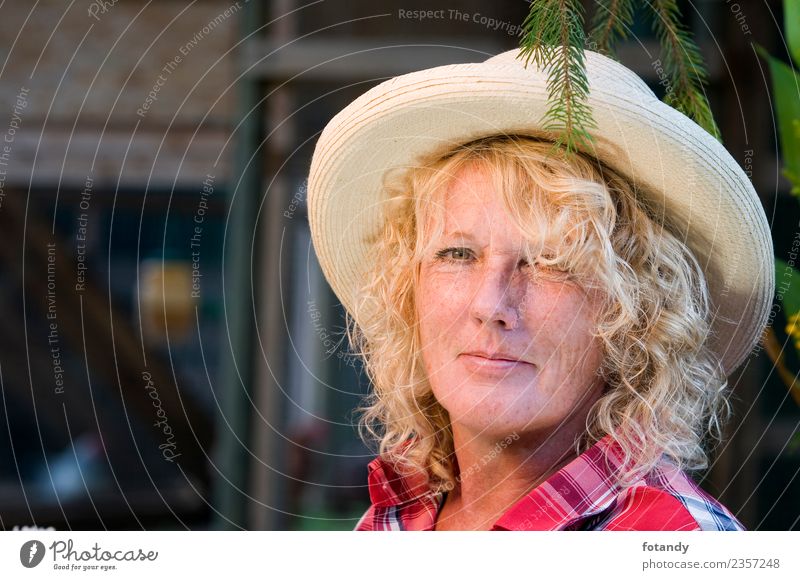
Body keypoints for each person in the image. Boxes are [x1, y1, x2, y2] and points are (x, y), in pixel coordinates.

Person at [306, 48, 773, 531]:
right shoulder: (396, 519)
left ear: (636, 316)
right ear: (409, 291)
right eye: (457, 254)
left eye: (551, 263)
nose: (490, 304)